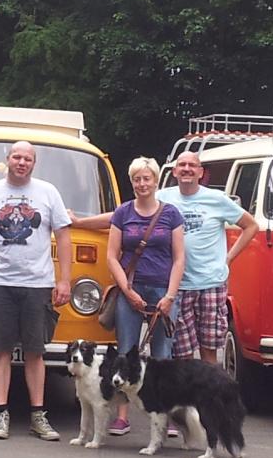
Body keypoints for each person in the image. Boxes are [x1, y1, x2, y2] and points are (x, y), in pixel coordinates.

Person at [0, 141, 72, 442]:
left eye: (27, 158)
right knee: (0, 350)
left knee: (36, 351)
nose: (22, 162)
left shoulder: (48, 192)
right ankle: (1, 414)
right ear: (7, 160)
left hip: (38, 283)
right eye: (17, 157)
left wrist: (64, 280)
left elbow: (63, 236)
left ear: (34, 163)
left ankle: (38, 416)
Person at [100, 156, 185, 434]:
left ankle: (165, 415)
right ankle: (122, 416)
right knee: (125, 351)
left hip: (162, 290)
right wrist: (127, 291)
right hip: (131, 288)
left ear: (156, 181)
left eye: (146, 178)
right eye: (137, 179)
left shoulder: (171, 214)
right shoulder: (123, 213)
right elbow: (112, 256)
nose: (142, 184)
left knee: (162, 356)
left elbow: (179, 258)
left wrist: (170, 295)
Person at [160, 149, 261, 366]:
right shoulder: (162, 198)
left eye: (192, 165)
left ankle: (209, 390)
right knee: (182, 355)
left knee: (209, 352)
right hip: (178, 286)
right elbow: (129, 214)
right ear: (175, 172)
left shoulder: (217, 199)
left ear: (201, 172)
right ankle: (187, 390)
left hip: (211, 284)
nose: (187, 169)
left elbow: (251, 226)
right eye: (182, 165)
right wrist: (86, 222)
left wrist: (229, 258)